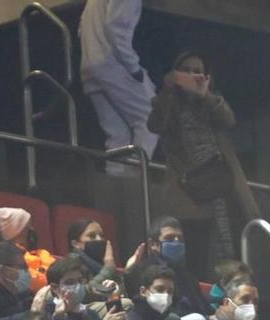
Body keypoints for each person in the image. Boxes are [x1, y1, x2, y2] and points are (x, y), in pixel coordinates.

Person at [147, 52, 259, 270]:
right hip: (189, 190)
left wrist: (205, 95)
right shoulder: (168, 102)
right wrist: (169, 89)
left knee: (228, 241)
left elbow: (228, 119)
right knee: (195, 247)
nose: (192, 75)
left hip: (222, 185)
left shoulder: (212, 101)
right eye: (186, 70)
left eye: (198, 71)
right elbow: (156, 125)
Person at [78, 0, 157, 163]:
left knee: (117, 134)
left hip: (89, 66)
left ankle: (117, 179)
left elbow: (80, 30)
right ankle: (138, 177)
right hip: (112, 64)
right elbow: (116, 28)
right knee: (150, 119)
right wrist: (133, 67)